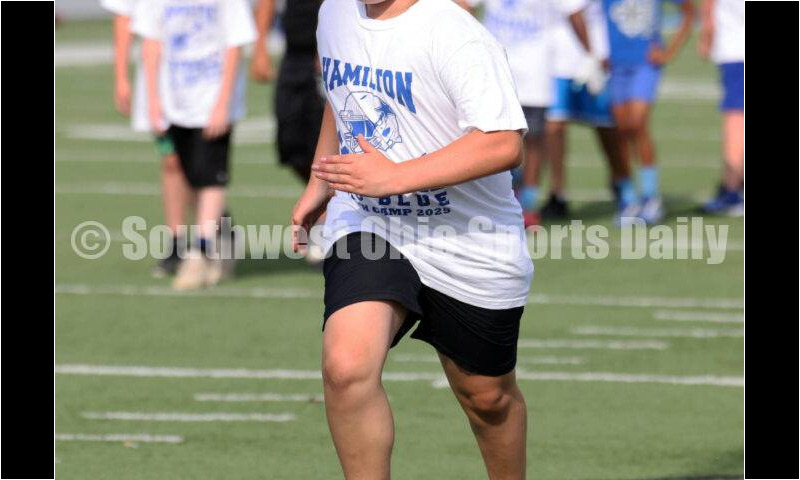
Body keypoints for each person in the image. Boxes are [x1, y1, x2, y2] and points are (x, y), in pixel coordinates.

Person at [291, 0, 534, 477]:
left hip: (469, 238)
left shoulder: (456, 34)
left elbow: (504, 143)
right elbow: (343, 95)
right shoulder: (334, 13)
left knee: (488, 400)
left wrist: (396, 176)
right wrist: (322, 180)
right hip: (371, 222)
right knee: (346, 367)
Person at [134, 0, 256, 290]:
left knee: (210, 176)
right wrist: (152, 100)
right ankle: (223, 235)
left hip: (211, 100)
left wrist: (223, 102)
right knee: (189, 176)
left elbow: (234, 44)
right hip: (174, 101)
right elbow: (151, 43)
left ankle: (200, 252)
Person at [476, 0, 602, 227]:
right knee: (492, 137)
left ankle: (528, 204)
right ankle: (504, 196)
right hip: (494, 69)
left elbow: (574, 12)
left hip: (536, 70)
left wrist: (590, 56)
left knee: (534, 140)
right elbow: (464, 6)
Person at [101, 0, 192, 277]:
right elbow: (123, 16)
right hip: (158, 80)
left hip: (201, 78)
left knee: (199, 158)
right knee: (172, 159)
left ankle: (210, 231)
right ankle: (177, 243)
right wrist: (121, 77)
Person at [603, 0, 695, 224]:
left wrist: (669, 52)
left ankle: (651, 196)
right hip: (613, 65)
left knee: (637, 123)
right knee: (620, 130)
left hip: (644, 64)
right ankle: (628, 197)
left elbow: (689, 11)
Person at [546, 0, 637, 224]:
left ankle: (622, 184)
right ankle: (558, 194)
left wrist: (593, 55)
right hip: (554, 55)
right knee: (554, 126)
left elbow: (576, 11)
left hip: (593, 53)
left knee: (606, 126)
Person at [251, 0, 325, 182]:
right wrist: (260, 47)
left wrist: (329, 46)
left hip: (326, 52)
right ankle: (325, 201)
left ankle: (334, 201)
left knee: (326, 142)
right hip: (294, 52)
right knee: (291, 142)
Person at [698, 0, 743, 216]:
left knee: (735, 119)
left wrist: (707, 32)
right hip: (734, 46)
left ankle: (732, 189)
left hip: (736, 48)